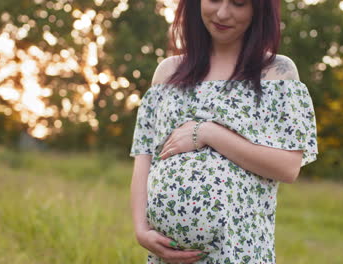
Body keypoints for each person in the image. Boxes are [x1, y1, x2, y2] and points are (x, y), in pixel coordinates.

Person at [129, 0, 318, 263]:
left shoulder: (277, 73)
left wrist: (208, 134)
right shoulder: (167, 73)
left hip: (239, 251)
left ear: (258, 9)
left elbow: (288, 167)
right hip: (168, 256)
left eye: (239, 3)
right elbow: (144, 158)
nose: (222, 13)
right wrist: (141, 230)